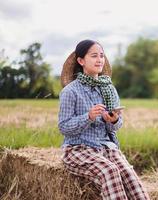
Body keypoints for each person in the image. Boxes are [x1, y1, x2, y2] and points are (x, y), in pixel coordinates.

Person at [58, 39, 150, 200]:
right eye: (94, 56)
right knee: (110, 171)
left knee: (129, 175)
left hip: (107, 147)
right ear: (81, 61)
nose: (100, 59)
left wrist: (113, 120)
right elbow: (64, 127)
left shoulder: (109, 88)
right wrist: (88, 117)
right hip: (78, 149)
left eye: (101, 55)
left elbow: (116, 126)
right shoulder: (70, 91)